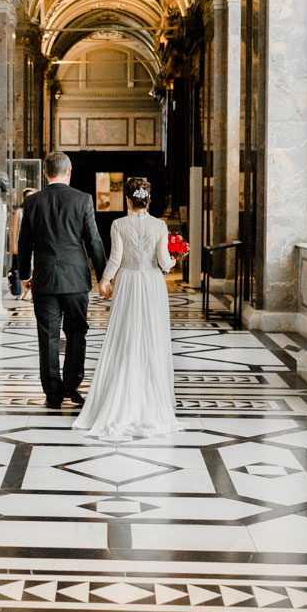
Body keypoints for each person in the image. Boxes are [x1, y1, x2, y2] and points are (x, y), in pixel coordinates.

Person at [73, 177, 184, 438]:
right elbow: (164, 263)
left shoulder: (118, 224)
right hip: (152, 283)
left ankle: (120, 398)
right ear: (149, 200)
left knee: (126, 338)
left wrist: (104, 281)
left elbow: (115, 258)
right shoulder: (160, 225)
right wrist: (177, 258)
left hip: (128, 282)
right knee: (152, 339)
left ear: (127, 199)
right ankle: (150, 399)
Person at [17, 153, 106, 409]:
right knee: (77, 332)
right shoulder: (83, 200)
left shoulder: (33, 202)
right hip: (76, 280)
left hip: (44, 280)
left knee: (48, 337)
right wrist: (104, 277)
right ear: (69, 171)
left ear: (45, 173)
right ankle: (72, 387)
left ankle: (52, 394)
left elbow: (25, 244)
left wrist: (24, 275)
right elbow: (94, 241)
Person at [10, 187, 38, 301]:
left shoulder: (38, 210)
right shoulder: (19, 211)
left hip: (35, 244)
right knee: (22, 266)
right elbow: (14, 230)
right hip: (22, 244)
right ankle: (23, 290)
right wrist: (14, 245)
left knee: (32, 267)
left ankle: (29, 291)